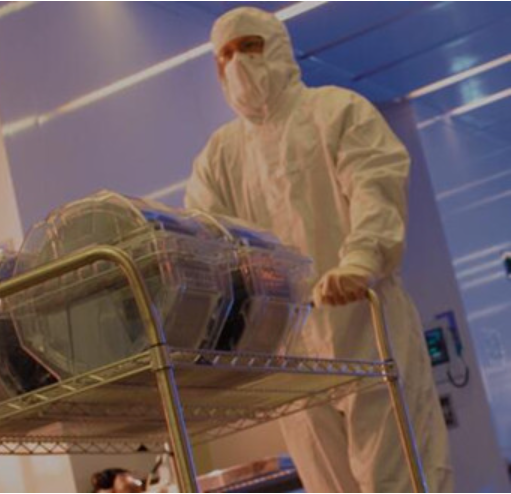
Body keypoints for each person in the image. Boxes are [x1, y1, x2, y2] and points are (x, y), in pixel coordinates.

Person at [185, 7, 453, 493]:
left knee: (397, 476)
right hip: (288, 351)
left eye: (250, 47)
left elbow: (375, 185)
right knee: (327, 481)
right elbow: (206, 237)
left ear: (278, 48)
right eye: (225, 56)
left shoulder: (336, 111)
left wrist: (361, 260)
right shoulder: (220, 156)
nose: (237, 63)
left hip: (363, 324)